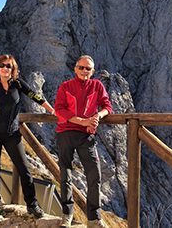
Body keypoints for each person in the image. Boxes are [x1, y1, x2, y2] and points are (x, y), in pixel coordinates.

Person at [0, 54, 55, 220]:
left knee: (24, 168)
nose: (5, 68)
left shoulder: (18, 84)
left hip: (12, 134)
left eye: (9, 66)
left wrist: (52, 110)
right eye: (2, 66)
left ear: (13, 70)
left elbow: (35, 96)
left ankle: (32, 204)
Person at [54, 55, 112, 228]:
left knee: (94, 174)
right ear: (75, 69)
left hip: (87, 136)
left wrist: (96, 117)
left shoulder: (97, 85)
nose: (84, 71)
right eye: (81, 67)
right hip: (65, 132)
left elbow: (107, 106)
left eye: (88, 69)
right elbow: (59, 109)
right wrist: (82, 121)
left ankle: (94, 219)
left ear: (92, 71)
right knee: (65, 174)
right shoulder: (65, 86)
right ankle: (67, 215)